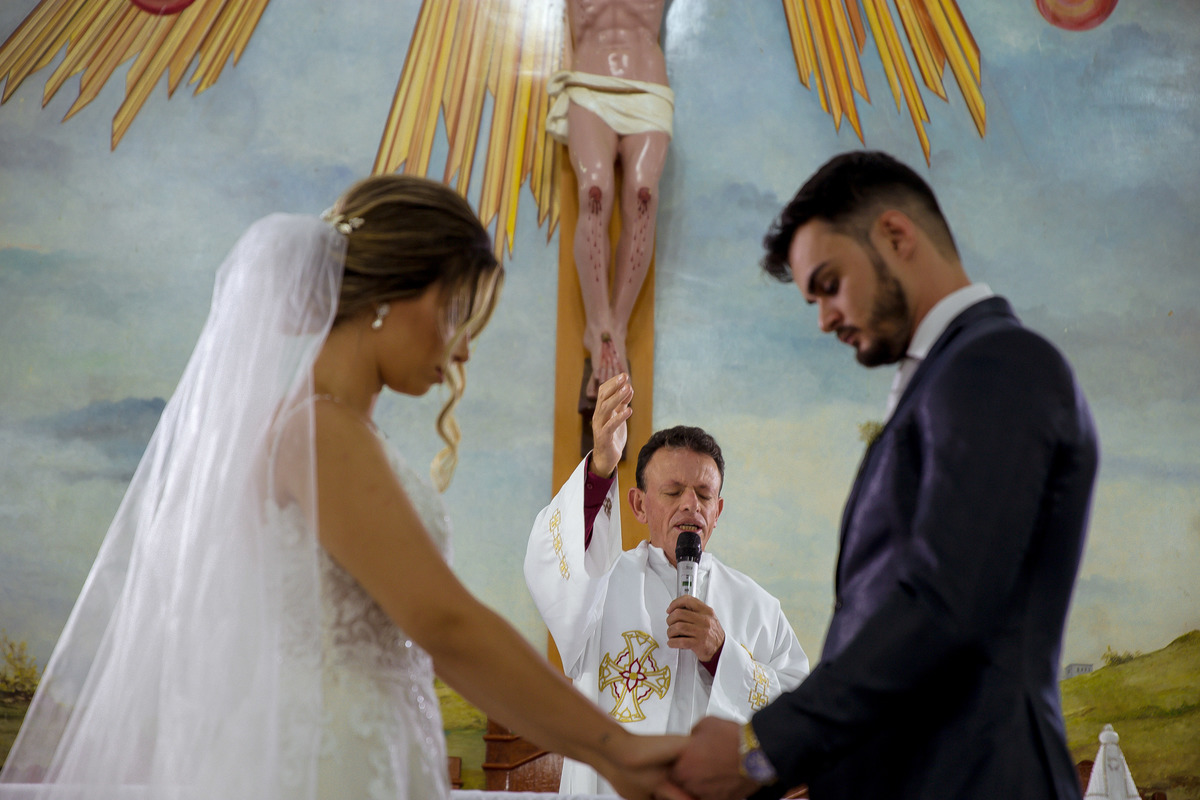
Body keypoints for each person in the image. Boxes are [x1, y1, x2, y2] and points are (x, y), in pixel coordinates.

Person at [0, 175, 689, 800]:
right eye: (456, 309)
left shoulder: (325, 429)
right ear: (392, 295)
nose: (464, 348)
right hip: (331, 765)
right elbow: (443, 621)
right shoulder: (319, 432)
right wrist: (615, 746)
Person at [671, 151, 1100, 800]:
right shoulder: (941, 381)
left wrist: (762, 752)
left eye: (829, 283)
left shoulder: (999, 364)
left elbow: (944, 603)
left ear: (896, 236)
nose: (823, 319)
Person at [526, 373, 810, 795]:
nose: (690, 505)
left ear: (718, 511)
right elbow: (553, 571)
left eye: (704, 494)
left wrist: (721, 654)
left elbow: (800, 716)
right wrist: (602, 465)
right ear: (639, 504)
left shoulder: (757, 606)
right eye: (673, 491)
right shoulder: (599, 582)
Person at [546, 0, 672, 400]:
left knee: (643, 194)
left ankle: (614, 328)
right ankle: (598, 326)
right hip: (589, 84)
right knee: (594, 189)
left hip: (647, 85)